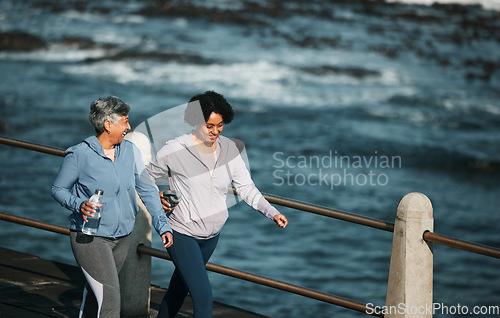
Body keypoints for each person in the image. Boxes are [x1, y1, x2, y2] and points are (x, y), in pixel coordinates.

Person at [147, 91, 288, 318]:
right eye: (209, 126)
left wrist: (271, 212)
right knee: (203, 297)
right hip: (181, 232)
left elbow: (246, 188)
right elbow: (145, 178)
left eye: (220, 125)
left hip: (211, 237)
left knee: (178, 290)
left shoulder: (229, 149)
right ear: (195, 122)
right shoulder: (175, 149)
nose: (215, 132)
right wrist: (158, 197)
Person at [51, 96, 173, 318]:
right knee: (110, 300)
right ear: (108, 125)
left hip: (122, 237)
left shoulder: (130, 151)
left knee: (95, 296)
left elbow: (146, 189)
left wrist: (162, 224)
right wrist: (79, 204)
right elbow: (58, 189)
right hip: (90, 237)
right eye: (125, 121)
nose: (128, 127)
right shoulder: (80, 154)